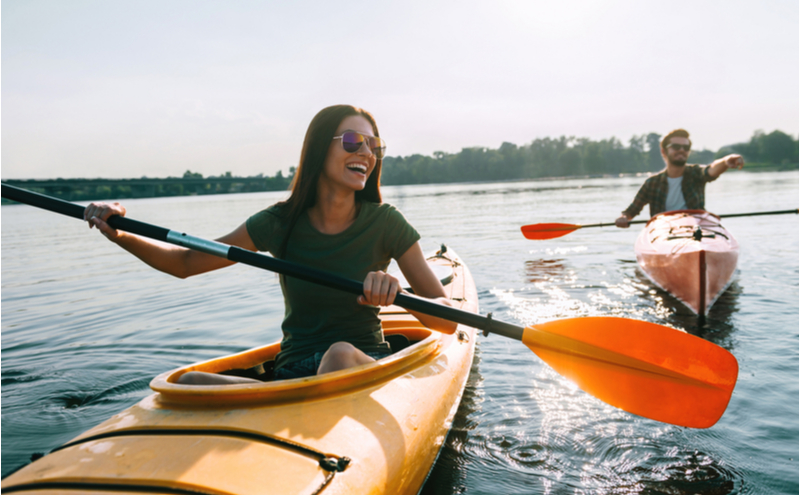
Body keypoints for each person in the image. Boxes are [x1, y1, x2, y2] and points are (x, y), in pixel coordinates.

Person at [83, 105, 457, 384]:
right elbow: (184, 262)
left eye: (375, 146)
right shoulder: (279, 222)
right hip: (291, 372)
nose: (367, 153)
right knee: (187, 381)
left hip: (358, 362)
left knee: (339, 354)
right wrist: (119, 232)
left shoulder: (386, 222)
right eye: (352, 141)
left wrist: (396, 294)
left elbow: (446, 320)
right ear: (318, 149)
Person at [615, 129, 744, 227]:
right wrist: (623, 218)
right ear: (664, 152)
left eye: (686, 147)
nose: (681, 150)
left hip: (696, 228)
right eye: (676, 147)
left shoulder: (696, 173)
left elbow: (711, 170)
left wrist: (726, 161)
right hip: (664, 231)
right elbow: (631, 211)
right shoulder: (652, 183)